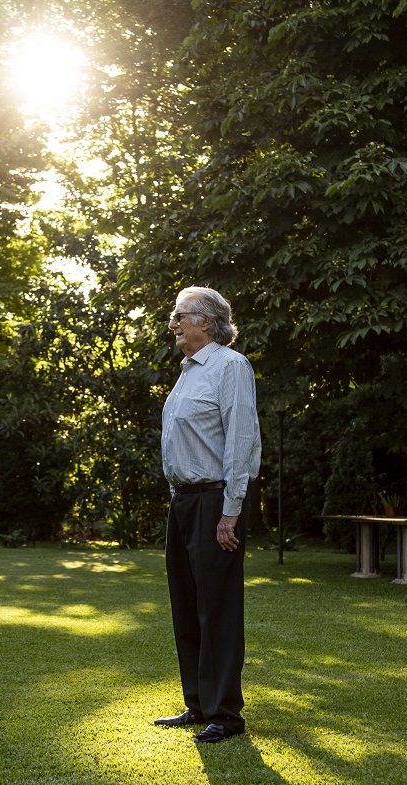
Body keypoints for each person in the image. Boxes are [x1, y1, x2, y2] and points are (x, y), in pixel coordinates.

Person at [153, 286, 261, 744]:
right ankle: (197, 704)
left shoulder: (230, 367)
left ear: (207, 321)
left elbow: (241, 442)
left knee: (216, 607)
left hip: (217, 501)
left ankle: (226, 713)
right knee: (186, 604)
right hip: (184, 501)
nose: (173, 323)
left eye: (180, 316)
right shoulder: (187, 372)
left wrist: (230, 512)